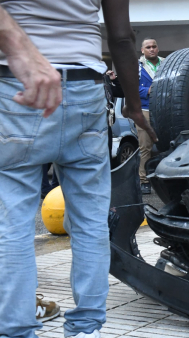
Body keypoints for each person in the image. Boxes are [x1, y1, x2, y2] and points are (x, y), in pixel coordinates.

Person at [0, 1, 157, 338]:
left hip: (17, 84)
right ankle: (87, 330)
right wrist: (132, 104)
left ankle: (15, 330)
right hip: (85, 89)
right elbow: (120, 37)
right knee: (90, 221)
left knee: (14, 222)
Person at [137, 38, 163, 194]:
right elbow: (131, 89)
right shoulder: (136, 67)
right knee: (145, 148)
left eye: (154, 46)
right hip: (145, 110)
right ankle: (144, 180)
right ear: (142, 50)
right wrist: (148, 90)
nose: (151, 49)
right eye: (148, 47)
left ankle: (166, 178)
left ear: (158, 48)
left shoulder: (166, 63)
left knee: (168, 145)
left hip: (164, 109)